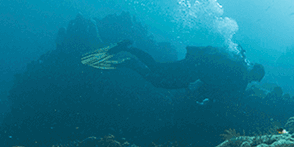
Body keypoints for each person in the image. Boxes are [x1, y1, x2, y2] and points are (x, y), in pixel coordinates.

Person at [82, 40, 264, 97]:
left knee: (157, 71)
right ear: (254, 73)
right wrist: (200, 89)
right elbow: (217, 84)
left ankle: (129, 53)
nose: (253, 81)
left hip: (192, 67)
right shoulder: (240, 75)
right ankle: (129, 57)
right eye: (255, 78)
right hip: (192, 72)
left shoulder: (236, 63)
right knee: (157, 77)